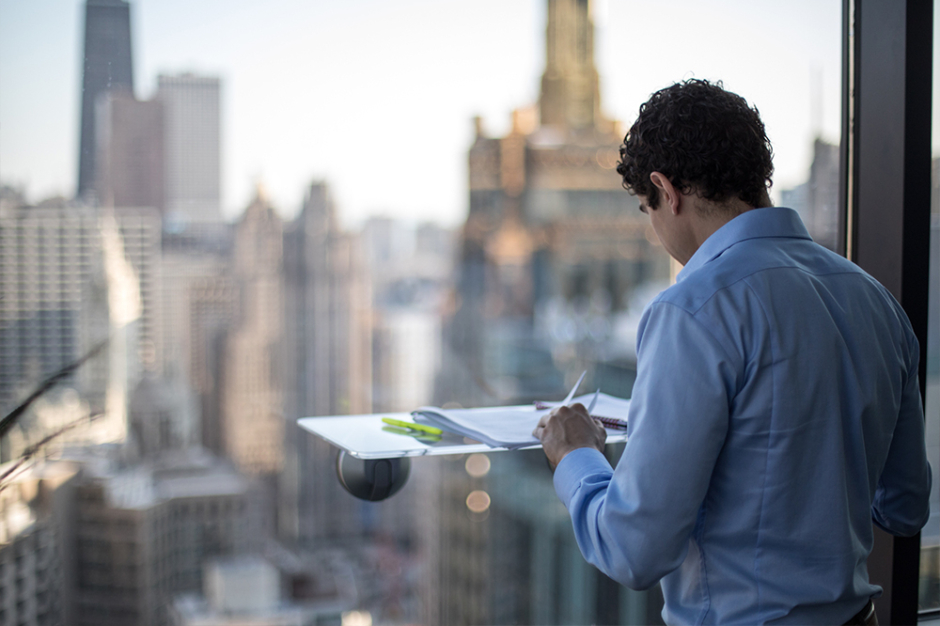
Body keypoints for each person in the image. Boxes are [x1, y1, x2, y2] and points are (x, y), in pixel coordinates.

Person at [533, 79, 931, 625]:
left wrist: (575, 455)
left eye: (648, 210)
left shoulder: (692, 311)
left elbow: (634, 550)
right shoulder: (875, 299)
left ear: (666, 191)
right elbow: (905, 507)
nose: (655, 231)